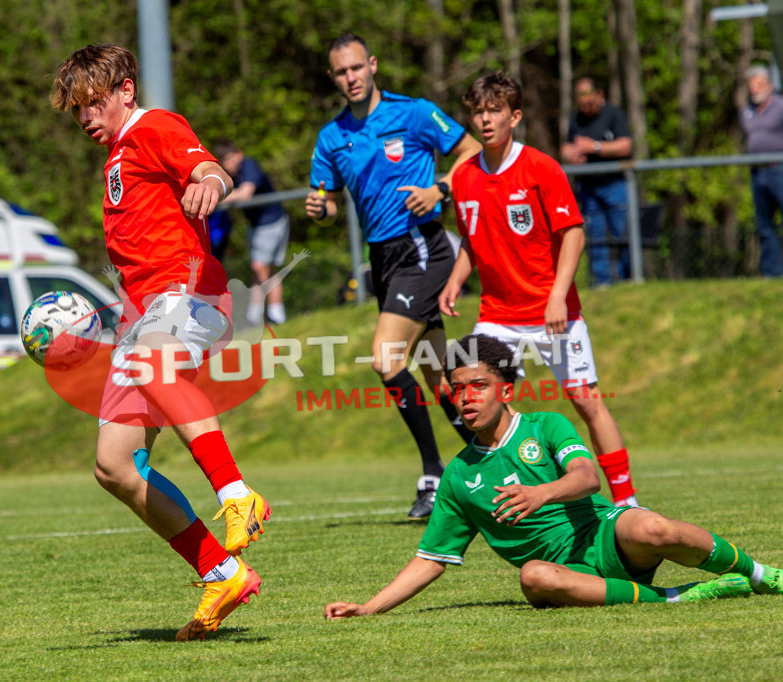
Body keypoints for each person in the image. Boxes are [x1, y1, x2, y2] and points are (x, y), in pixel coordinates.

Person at [323, 334, 783, 618]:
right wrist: (369, 608)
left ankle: (765, 576)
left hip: (606, 538)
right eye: (458, 389)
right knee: (533, 578)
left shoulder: (545, 426)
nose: (466, 398)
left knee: (652, 525)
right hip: (569, 578)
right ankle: (677, 597)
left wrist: (541, 493)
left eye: (478, 385)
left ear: (506, 390)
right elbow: (431, 558)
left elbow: (589, 477)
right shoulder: (459, 475)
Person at [50, 44, 269, 641]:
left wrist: (211, 183)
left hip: (189, 292)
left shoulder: (153, 127)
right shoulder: (118, 153)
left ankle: (237, 495)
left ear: (126, 89)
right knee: (114, 466)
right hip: (143, 314)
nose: (86, 117)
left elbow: (209, 169)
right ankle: (222, 572)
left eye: (94, 102)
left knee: (153, 365)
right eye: (77, 109)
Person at [304, 33, 482, 519]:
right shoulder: (332, 136)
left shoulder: (415, 113)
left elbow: (470, 151)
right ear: (332, 77)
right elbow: (328, 200)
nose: (351, 78)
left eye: (357, 67)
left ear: (373, 65)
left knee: (386, 358)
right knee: (439, 373)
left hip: (423, 246)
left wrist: (439, 188)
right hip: (383, 260)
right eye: (342, 72)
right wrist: (321, 209)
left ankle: (433, 472)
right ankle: (491, 457)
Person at [440, 72, 638, 507]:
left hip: (552, 312)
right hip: (497, 315)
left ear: (514, 116)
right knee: (474, 394)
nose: (485, 120)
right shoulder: (465, 176)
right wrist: (455, 280)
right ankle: (516, 489)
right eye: (478, 112)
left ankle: (626, 501)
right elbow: (471, 240)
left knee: (588, 403)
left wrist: (557, 297)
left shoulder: (540, 167)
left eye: (494, 110)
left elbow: (574, 234)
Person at [560, 77, 633, 287]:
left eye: (589, 103)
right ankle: (602, 282)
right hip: (588, 187)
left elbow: (625, 146)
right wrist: (572, 154)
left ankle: (629, 278)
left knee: (623, 234)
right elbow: (566, 147)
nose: (586, 107)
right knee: (596, 236)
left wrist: (595, 147)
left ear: (598, 94)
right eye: (581, 103)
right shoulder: (577, 119)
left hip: (615, 184)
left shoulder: (614, 113)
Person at [739, 65, 783, 277]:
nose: (754, 89)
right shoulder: (746, 111)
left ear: (769, 85)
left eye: (758, 84)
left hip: (782, 170)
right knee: (764, 226)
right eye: (751, 85)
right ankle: (772, 272)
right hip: (757, 173)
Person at [216, 140, 293, 325]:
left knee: (259, 267)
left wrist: (214, 198)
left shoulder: (249, 165)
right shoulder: (230, 174)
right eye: (224, 161)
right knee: (265, 269)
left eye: (230, 159)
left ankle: (258, 315)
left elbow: (245, 194)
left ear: (239, 154)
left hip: (270, 223)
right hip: (257, 225)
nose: (228, 165)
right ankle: (273, 314)